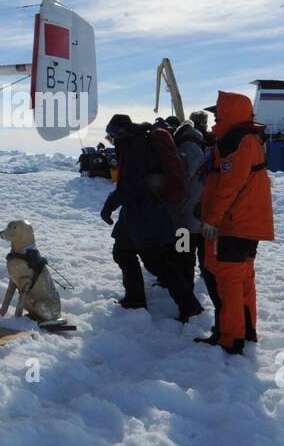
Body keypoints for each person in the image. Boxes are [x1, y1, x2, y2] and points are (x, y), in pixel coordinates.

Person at [100, 114, 202, 321]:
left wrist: (109, 206)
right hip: (136, 213)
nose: (111, 140)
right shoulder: (135, 143)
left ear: (119, 133)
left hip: (147, 214)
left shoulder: (135, 147)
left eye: (111, 135)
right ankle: (134, 299)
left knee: (159, 264)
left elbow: (130, 186)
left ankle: (190, 306)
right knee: (122, 252)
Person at [193, 91, 273, 354]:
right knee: (242, 279)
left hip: (233, 224)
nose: (215, 120)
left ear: (229, 113)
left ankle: (230, 337)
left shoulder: (237, 141)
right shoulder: (247, 139)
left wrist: (212, 220)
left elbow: (230, 186)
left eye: (218, 115)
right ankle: (246, 331)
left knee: (227, 282)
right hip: (246, 223)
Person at [171, 120, 209, 293]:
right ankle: (194, 278)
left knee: (184, 251)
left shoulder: (188, 148)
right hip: (197, 207)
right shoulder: (198, 146)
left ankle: (184, 286)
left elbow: (182, 176)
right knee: (196, 246)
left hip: (187, 210)